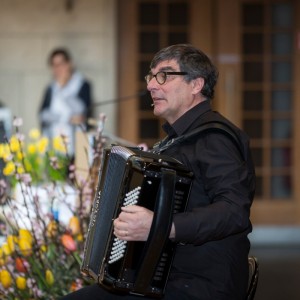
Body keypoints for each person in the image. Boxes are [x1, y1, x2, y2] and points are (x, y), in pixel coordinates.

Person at [61, 44, 255, 300]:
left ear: (196, 84)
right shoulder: (175, 141)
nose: (152, 85)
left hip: (199, 286)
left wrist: (159, 226)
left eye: (164, 75)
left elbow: (234, 211)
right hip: (164, 280)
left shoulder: (213, 138)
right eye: (150, 77)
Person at [39, 48, 92, 156]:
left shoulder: (83, 84)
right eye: (54, 65)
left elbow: (82, 111)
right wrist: (63, 118)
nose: (58, 69)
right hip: (54, 143)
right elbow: (42, 114)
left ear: (69, 64)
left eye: (61, 64)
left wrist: (63, 89)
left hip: (77, 145)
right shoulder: (51, 88)